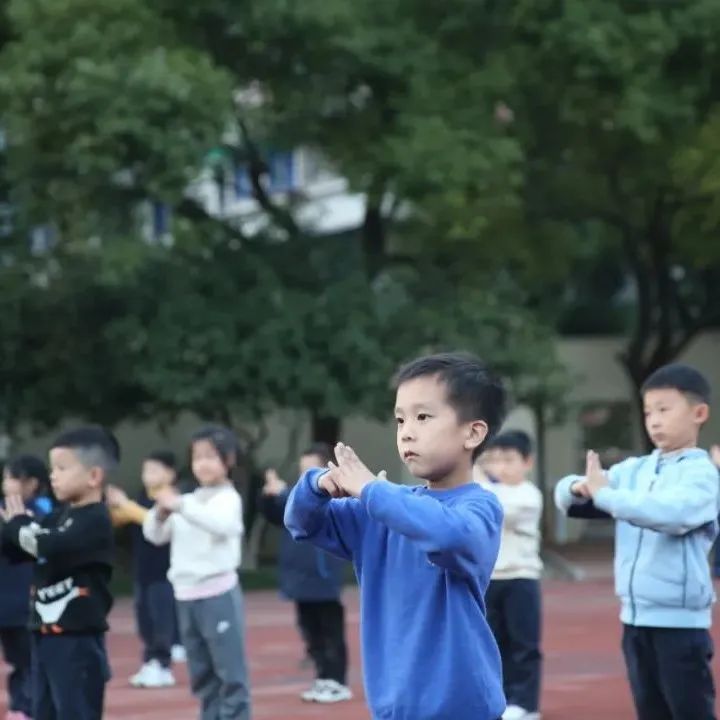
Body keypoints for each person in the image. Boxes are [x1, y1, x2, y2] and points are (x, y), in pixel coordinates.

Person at [285, 352, 508, 720]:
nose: (406, 431)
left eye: (423, 417)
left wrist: (373, 491)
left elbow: (448, 536)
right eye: (400, 419)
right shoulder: (379, 511)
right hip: (393, 707)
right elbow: (301, 522)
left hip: (464, 707)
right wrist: (319, 484)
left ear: (473, 432)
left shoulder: (479, 508)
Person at [555, 363, 719, 720]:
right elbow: (569, 495)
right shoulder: (635, 470)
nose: (654, 420)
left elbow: (670, 515)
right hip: (634, 618)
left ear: (699, 413)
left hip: (680, 624)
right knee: (650, 710)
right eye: (648, 412)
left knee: (690, 711)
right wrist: (576, 487)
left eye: (664, 409)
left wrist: (607, 497)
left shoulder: (703, 475)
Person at [0, 426, 118, 720]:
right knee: (45, 711)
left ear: (94, 476)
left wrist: (18, 527)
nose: (53, 475)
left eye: (62, 468)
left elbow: (45, 545)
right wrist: (9, 530)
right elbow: (21, 549)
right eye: (53, 468)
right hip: (44, 635)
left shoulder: (94, 520)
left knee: (75, 712)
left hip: (76, 639)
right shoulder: (57, 515)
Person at [143, 425, 250, 720]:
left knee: (230, 674)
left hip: (218, 595)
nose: (202, 463)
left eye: (210, 456)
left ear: (228, 461)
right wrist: (162, 513)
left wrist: (178, 505)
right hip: (186, 597)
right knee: (202, 676)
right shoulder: (188, 500)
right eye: (197, 456)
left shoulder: (228, 499)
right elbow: (154, 534)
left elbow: (221, 524)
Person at [262, 443, 350, 703]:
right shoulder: (294, 499)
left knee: (329, 630)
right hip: (299, 577)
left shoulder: (335, 495)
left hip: (323, 576)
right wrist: (268, 497)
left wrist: (283, 492)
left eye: (311, 469)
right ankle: (323, 678)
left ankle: (337, 681)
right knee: (310, 632)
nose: (307, 476)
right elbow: (276, 515)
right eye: (303, 470)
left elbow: (307, 504)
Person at [479, 431, 543, 720]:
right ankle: (501, 699)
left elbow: (495, 510)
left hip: (521, 579)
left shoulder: (529, 495)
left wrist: (475, 475)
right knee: (494, 643)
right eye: (494, 460)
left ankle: (526, 703)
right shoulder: (486, 490)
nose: (500, 467)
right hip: (490, 579)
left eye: (508, 460)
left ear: (527, 462)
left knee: (523, 644)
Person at [106, 450, 183, 688]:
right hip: (142, 570)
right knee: (144, 620)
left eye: (154, 471)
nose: (147, 476)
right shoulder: (139, 498)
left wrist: (125, 505)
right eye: (145, 471)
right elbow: (121, 518)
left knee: (162, 620)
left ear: (170, 474)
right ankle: (151, 661)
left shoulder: (172, 498)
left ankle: (163, 664)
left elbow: (149, 518)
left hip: (164, 572)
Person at [0, 455, 55, 720]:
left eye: (13, 478)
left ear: (32, 483)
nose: (7, 484)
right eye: (6, 478)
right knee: (17, 659)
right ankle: (19, 705)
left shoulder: (43, 511)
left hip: (26, 601)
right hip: (5, 601)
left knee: (28, 660)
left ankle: (26, 707)